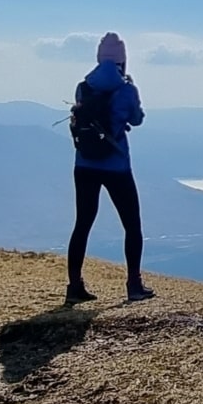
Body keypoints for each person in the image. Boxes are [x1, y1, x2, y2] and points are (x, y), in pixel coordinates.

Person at [65, 33, 152, 303]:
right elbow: (136, 119)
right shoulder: (126, 89)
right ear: (123, 61)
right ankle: (134, 285)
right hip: (116, 165)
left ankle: (74, 287)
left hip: (84, 164)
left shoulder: (83, 87)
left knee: (82, 224)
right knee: (132, 225)